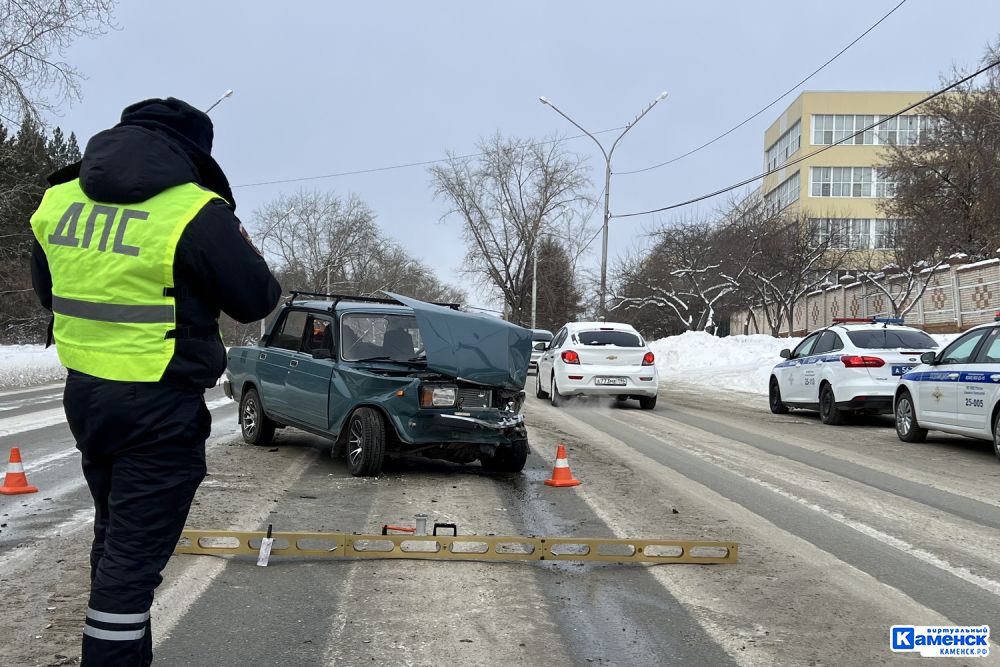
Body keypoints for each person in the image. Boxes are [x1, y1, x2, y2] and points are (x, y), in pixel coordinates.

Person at [29, 97, 282, 666]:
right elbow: (256, 299)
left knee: (116, 543)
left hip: (88, 397)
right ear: (195, 153)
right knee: (130, 566)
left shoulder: (59, 199)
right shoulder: (193, 210)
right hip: (158, 405)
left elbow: (52, 291)